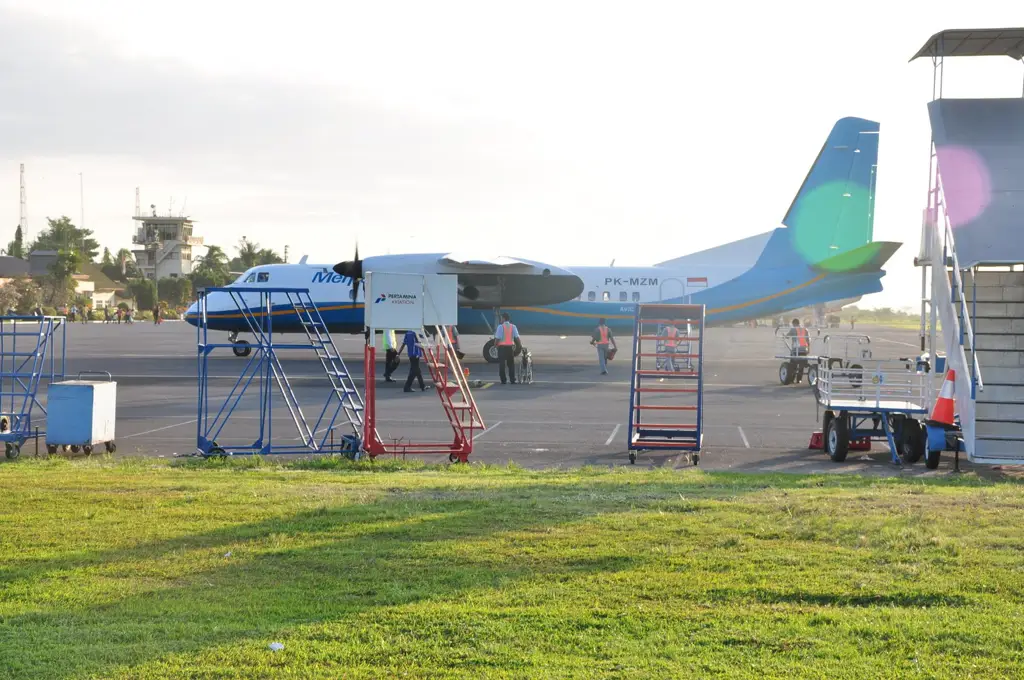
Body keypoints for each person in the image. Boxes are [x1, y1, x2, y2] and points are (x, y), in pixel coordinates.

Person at [493, 313, 520, 384]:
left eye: (501, 318)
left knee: (502, 364)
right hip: (510, 348)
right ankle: (512, 379)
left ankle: (503, 380)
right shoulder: (513, 326)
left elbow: (498, 338)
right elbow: (517, 337)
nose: (501, 319)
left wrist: (495, 345)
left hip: (502, 348)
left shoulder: (500, 327)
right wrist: (519, 346)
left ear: (504, 318)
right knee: (511, 364)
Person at [787, 318, 810, 382]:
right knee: (801, 365)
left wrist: (784, 335)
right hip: (804, 350)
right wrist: (808, 349)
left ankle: (792, 378)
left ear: (794, 323)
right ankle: (799, 380)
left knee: (793, 365)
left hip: (795, 349)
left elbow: (787, 336)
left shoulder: (793, 329)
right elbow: (808, 341)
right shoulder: (805, 329)